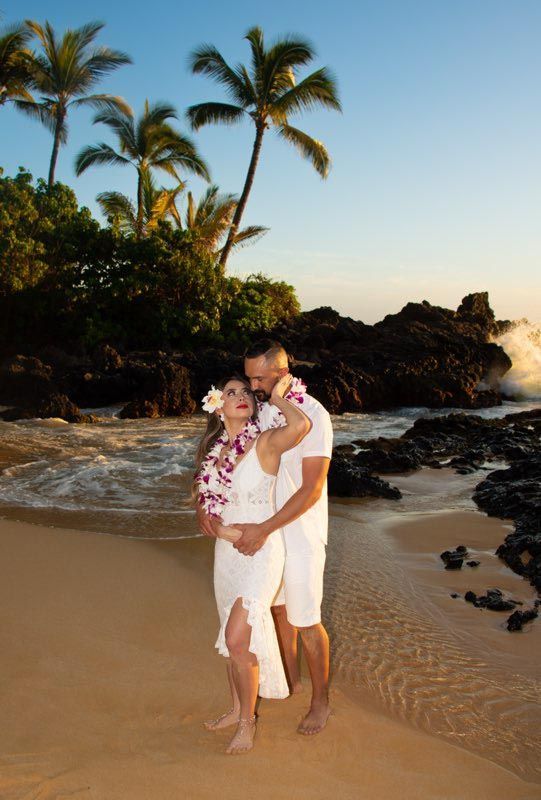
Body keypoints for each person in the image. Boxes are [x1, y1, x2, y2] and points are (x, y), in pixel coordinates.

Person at [198, 341, 334, 736]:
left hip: (300, 531)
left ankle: (320, 701)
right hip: (261, 534)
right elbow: (226, 467)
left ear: (281, 372)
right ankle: (289, 683)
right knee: (274, 613)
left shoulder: (313, 413)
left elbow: (310, 489)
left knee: (305, 618)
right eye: (247, 377)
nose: (251, 385)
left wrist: (265, 528)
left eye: (259, 377)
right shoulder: (260, 408)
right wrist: (204, 510)